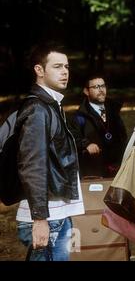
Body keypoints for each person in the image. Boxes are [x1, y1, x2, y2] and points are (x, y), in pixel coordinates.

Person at [15, 42, 84, 261]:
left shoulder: (51, 106)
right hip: (48, 215)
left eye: (66, 66)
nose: (65, 72)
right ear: (39, 70)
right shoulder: (38, 110)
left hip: (56, 212)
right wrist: (39, 219)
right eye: (57, 66)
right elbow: (32, 165)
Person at [68, 75, 127, 178]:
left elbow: (123, 137)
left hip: (117, 171)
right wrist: (86, 144)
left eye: (103, 86)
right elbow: (72, 138)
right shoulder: (79, 116)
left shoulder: (113, 111)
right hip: (93, 172)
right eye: (96, 87)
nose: (101, 90)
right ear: (86, 91)